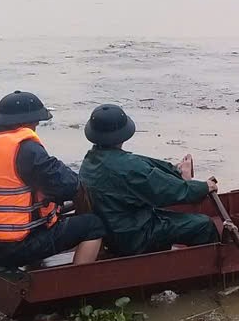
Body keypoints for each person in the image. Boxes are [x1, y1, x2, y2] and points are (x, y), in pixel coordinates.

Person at [0, 91, 105, 270]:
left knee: (47, 214)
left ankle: (32, 268)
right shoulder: (25, 149)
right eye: (35, 123)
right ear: (24, 122)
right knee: (93, 225)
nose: (35, 127)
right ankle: (78, 281)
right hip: (18, 247)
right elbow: (67, 185)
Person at [78, 104, 221, 255]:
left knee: (143, 170)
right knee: (204, 225)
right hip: (134, 235)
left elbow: (143, 166)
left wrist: (175, 172)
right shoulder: (128, 166)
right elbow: (167, 191)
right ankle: (209, 272)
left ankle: (178, 173)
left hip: (112, 230)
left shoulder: (90, 160)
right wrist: (204, 187)